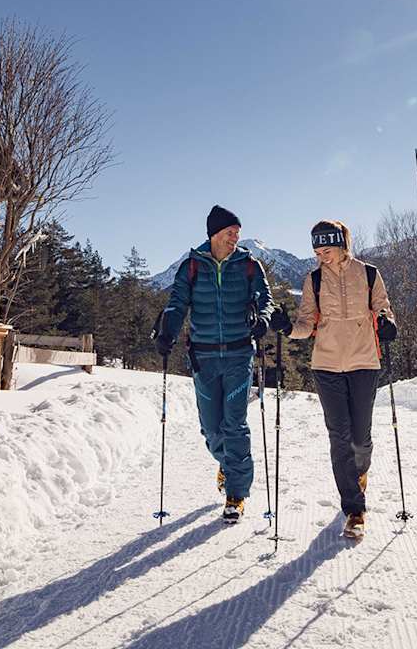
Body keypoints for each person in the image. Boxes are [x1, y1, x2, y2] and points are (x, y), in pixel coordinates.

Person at [269, 219, 395, 539]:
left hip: (364, 362)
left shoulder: (368, 273)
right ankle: (354, 509)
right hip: (326, 365)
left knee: (360, 438)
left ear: (342, 244)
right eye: (317, 251)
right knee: (339, 437)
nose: (321, 255)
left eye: (326, 249)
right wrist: (287, 328)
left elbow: (383, 309)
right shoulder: (313, 280)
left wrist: (387, 323)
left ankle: (359, 473)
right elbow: (306, 323)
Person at [154, 205, 273, 523]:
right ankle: (229, 464)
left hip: (238, 355)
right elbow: (177, 303)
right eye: (230, 232)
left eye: (237, 232)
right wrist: (168, 330)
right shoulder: (192, 266)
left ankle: (236, 494)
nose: (235, 237)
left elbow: (265, 298)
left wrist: (263, 317)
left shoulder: (248, 265)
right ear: (214, 234)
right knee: (211, 429)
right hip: (203, 357)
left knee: (234, 424)